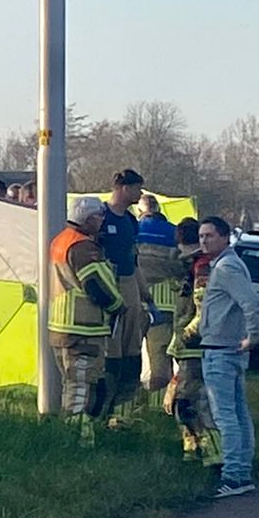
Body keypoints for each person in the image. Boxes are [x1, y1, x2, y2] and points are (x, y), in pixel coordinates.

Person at [49, 195, 125, 445]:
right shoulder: (84, 247)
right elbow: (95, 285)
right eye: (99, 216)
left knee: (71, 384)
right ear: (89, 218)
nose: (102, 221)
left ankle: (66, 437)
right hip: (84, 327)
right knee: (82, 387)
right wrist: (117, 306)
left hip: (61, 326)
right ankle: (78, 441)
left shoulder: (61, 240)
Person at [194, 216, 259, 497]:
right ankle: (242, 471)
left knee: (225, 416)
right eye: (201, 236)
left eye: (209, 235)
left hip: (221, 350)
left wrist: (253, 335)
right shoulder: (227, 264)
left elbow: (252, 302)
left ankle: (233, 475)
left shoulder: (226, 267)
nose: (204, 241)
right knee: (238, 413)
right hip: (225, 347)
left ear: (224, 237)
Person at [163, 217, 221, 466]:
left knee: (188, 402)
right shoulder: (199, 265)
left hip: (195, 346)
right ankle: (196, 451)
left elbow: (202, 309)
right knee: (189, 401)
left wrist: (186, 336)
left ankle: (211, 454)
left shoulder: (201, 267)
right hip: (191, 347)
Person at [97, 169, 147, 420]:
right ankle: (103, 407)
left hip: (128, 283)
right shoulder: (101, 216)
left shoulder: (130, 221)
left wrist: (145, 294)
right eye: (138, 188)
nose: (140, 194)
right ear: (125, 188)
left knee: (132, 342)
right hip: (109, 282)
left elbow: (134, 259)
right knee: (111, 344)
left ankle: (123, 408)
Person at [135, 192, 181, 394]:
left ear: (140, 210)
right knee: (161, 357)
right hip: (165, 304)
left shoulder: (133, 230)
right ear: (159, 210)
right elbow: (181, 268)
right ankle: (160, 401)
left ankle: (132, 401)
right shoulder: (174, 233)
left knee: (129, 355)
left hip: (135, 301)